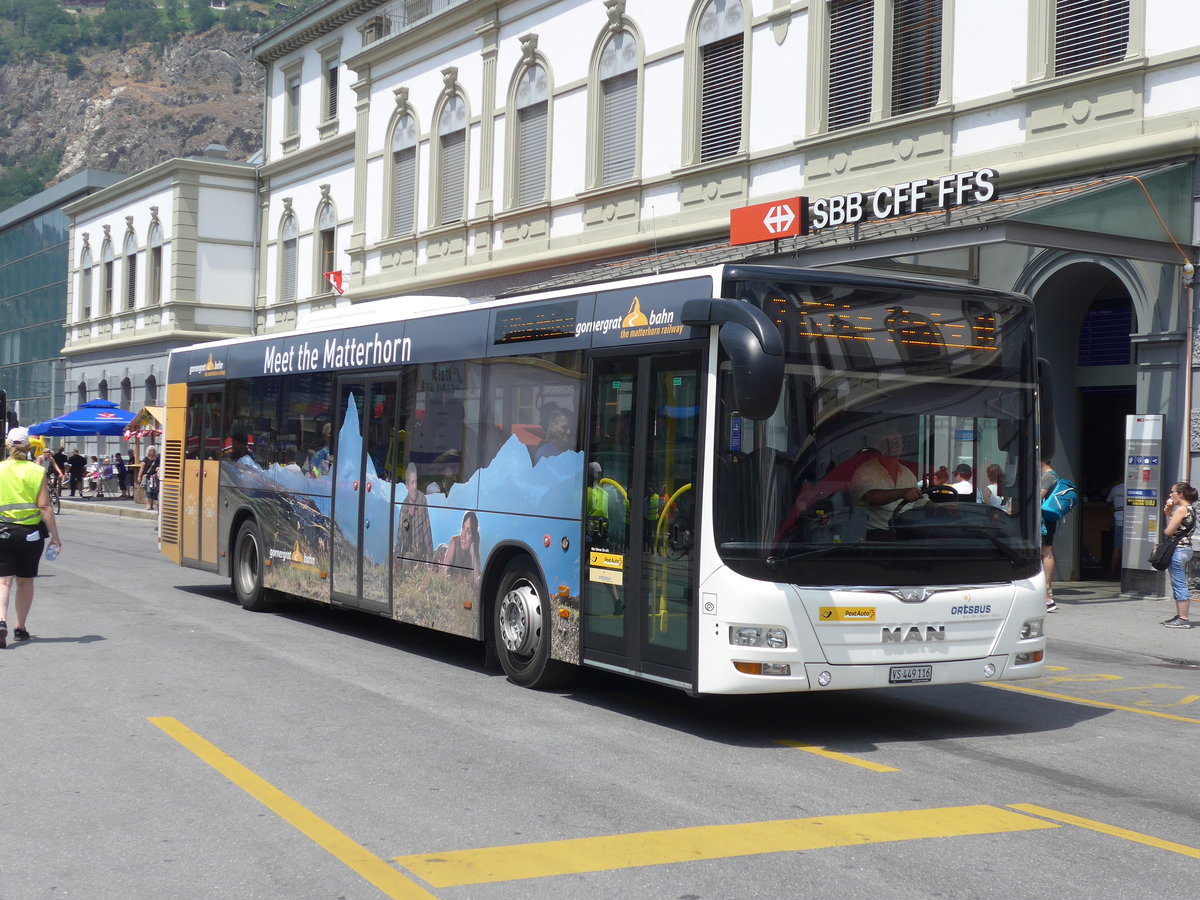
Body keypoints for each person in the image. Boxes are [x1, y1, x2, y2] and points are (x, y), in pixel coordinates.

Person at [0, 427, 62, 647]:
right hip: (30, 534)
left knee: (4, 581)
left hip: (2, 532)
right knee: (25, 582)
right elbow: (44, 506)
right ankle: (20, 627)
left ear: (8, 446)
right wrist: (55, 537)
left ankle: (0, 621)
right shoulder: (37, 471)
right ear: (28, 448)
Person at [850, 428, 923, 540]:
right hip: (877, 537)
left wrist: (941, 506)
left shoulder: (907, 473)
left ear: (902, 447)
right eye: (886, 443)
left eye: (896, 443)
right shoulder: (865, 471)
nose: (893, 447)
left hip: (907, 533)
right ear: (877, 447)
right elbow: (871, 497)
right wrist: (902, 492)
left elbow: (920, 500)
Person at [1160, 481, 1197, 628]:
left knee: (1179, 584)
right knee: (1178, 583)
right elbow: (1176, 528)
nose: (1170, 495)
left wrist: (1171, 514)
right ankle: (1180, 615)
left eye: (1172, 492)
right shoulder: (1190, 509)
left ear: (1180, 494)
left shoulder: (1182, 509)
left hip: (1179, 550)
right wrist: (1169, 513)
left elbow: (1169, 531)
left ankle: (1183, 618)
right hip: (1185, 549)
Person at [395, 462, 434, 573]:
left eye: (415, 482)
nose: (414, 486)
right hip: (407, 552)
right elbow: (401, 533)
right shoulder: (405, 506)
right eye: (412, 483)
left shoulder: (422, 500)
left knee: (409, 558)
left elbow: (427, 530)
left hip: (419, 553)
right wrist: (397, 556)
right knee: (396, 557)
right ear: (407, 485)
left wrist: (430, 558)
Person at [442, 510, 481, 585]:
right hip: (441, 554)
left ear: (473, 536)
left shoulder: (473, 549)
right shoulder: (454, 541)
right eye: (463, 528)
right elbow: (444, 570)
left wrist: (473, 554)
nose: (463, 534)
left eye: (468, 531)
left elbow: (477, 583)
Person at [1041, 459, 1059, 612]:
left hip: (1044, 519)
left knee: (1046, 550)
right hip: (1047, 519)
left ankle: (1047, 595)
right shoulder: (1051, 475)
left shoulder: (1048, 476)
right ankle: (1046, 593)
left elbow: (1038, 496)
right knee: (1045, 550)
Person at [1106, 479, 1125, 577]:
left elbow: (1108, 500)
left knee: (1117, 546)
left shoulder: (1115, 489)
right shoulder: (1129, 488)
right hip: (1130, 517)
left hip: (1118, 516)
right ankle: (1125, 570)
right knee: (1127, 547)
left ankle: (1113, 571)